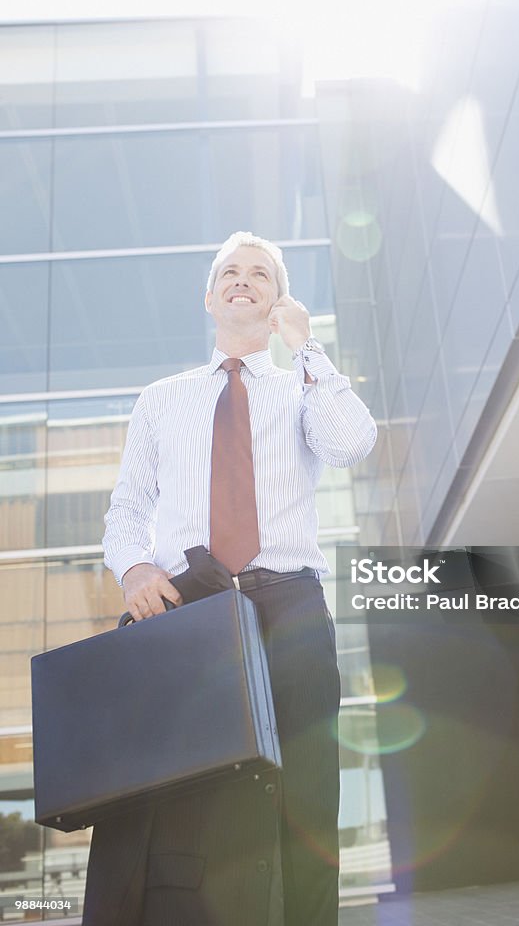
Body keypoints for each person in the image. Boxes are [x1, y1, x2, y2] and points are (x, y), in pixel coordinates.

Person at [88, 231, 377, 926]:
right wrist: (134, 569)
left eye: (260, 274)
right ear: (210, 294)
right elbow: (127, 507)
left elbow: (351, 442)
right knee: (172, 795)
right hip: (189, 605)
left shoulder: (302, 392)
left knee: (303, 796)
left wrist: (306, 347)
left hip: (289, 607)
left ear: (278, 301)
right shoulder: (162, 400)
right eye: (230, 271)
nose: (242, 280)